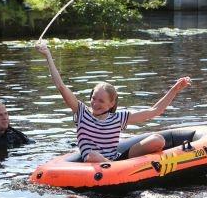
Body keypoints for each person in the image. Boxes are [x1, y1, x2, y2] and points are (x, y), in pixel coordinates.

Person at [35, 41, 192, 163]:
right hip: (95, 161)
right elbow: (61, 87)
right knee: (92, 156)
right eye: (93, 98)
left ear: (111, 104)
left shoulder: (118, 118)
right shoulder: (81, 112)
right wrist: (48, 55)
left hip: (117, 161)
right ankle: (112, 166)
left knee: (158, 140)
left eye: (101, 101)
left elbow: (154, 111)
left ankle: (125, 167)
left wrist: (175, 89)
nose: (95, 103)